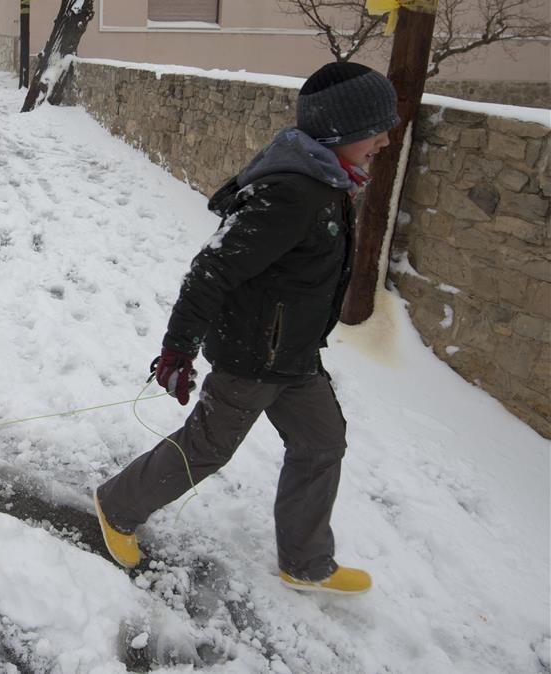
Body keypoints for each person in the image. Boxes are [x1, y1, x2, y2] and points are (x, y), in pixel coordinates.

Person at [93, 62, 399, 595]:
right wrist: (178, 349)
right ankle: (117, 505)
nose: (385, 139)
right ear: (340, 132)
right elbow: (211, 269)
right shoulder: (290, 192)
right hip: (252, 356)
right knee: (207, 448)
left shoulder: (329, 180)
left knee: (322, 443)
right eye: (377, 128)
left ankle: (304, 561)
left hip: (296, 357)